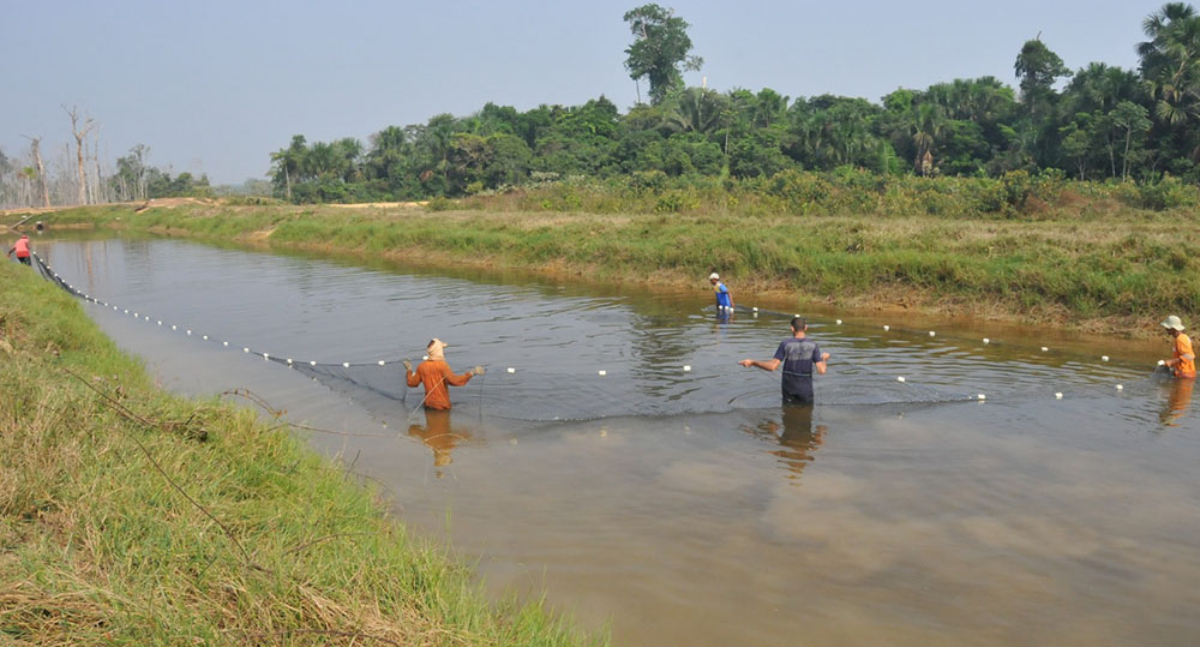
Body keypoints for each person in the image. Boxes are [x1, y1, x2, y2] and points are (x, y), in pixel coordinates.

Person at [739, 316, 831, 404]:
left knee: (788, 416)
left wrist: (753, 362)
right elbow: (821, 371)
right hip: (806, 391)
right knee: (806, 416)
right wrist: (824, 359)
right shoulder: (813, 345)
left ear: (792, 328)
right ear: (806, 327)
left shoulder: (785, 344)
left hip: (789, 389)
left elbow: (772, 367)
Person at [403, 338, 483, 410]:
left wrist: (409, 369)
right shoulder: (442, 366)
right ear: (438, 351)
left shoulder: (422, 366)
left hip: (428, 404)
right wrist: (472, 372)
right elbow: (455, 381)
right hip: (442, 406)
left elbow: (412, 383)